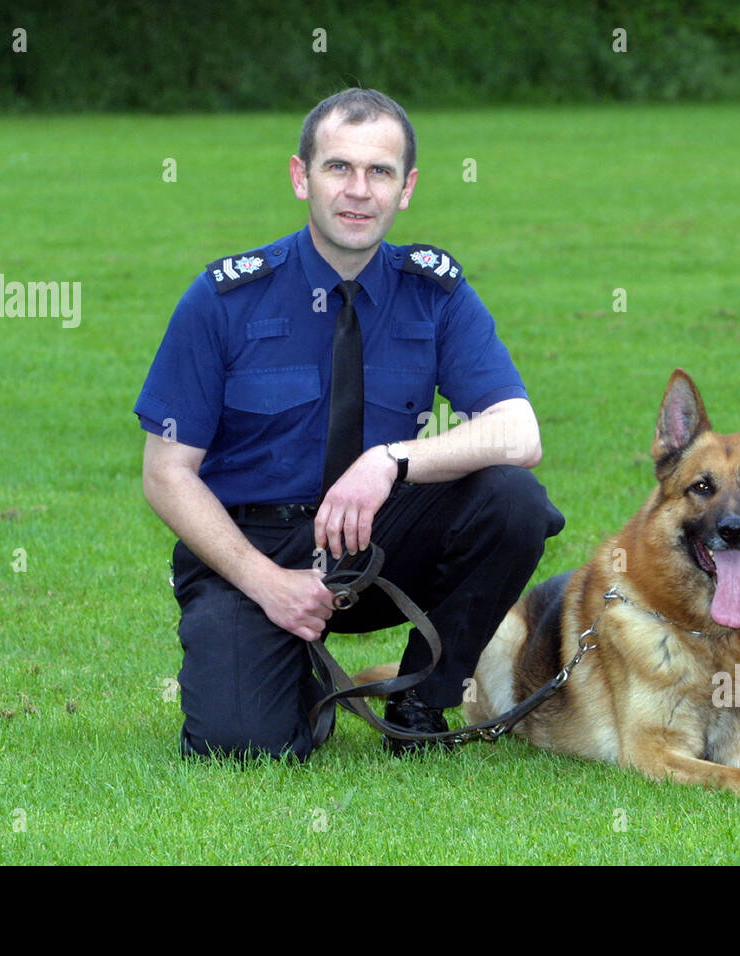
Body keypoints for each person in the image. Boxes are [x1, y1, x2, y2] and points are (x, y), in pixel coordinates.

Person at [135, 87, 564, 762]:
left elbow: (519, 432)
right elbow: (165, 474)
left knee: (512, 500)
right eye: (338, 167)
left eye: (380, 172)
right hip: (254, 547)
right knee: (242, 748)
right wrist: (265, 581)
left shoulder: (435, 293)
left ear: (407, 188)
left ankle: (424, 703)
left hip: (378, 538)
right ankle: (292, 680)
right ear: (301, 177)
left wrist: (388, 462)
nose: (358, 190)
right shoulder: (223, 298)